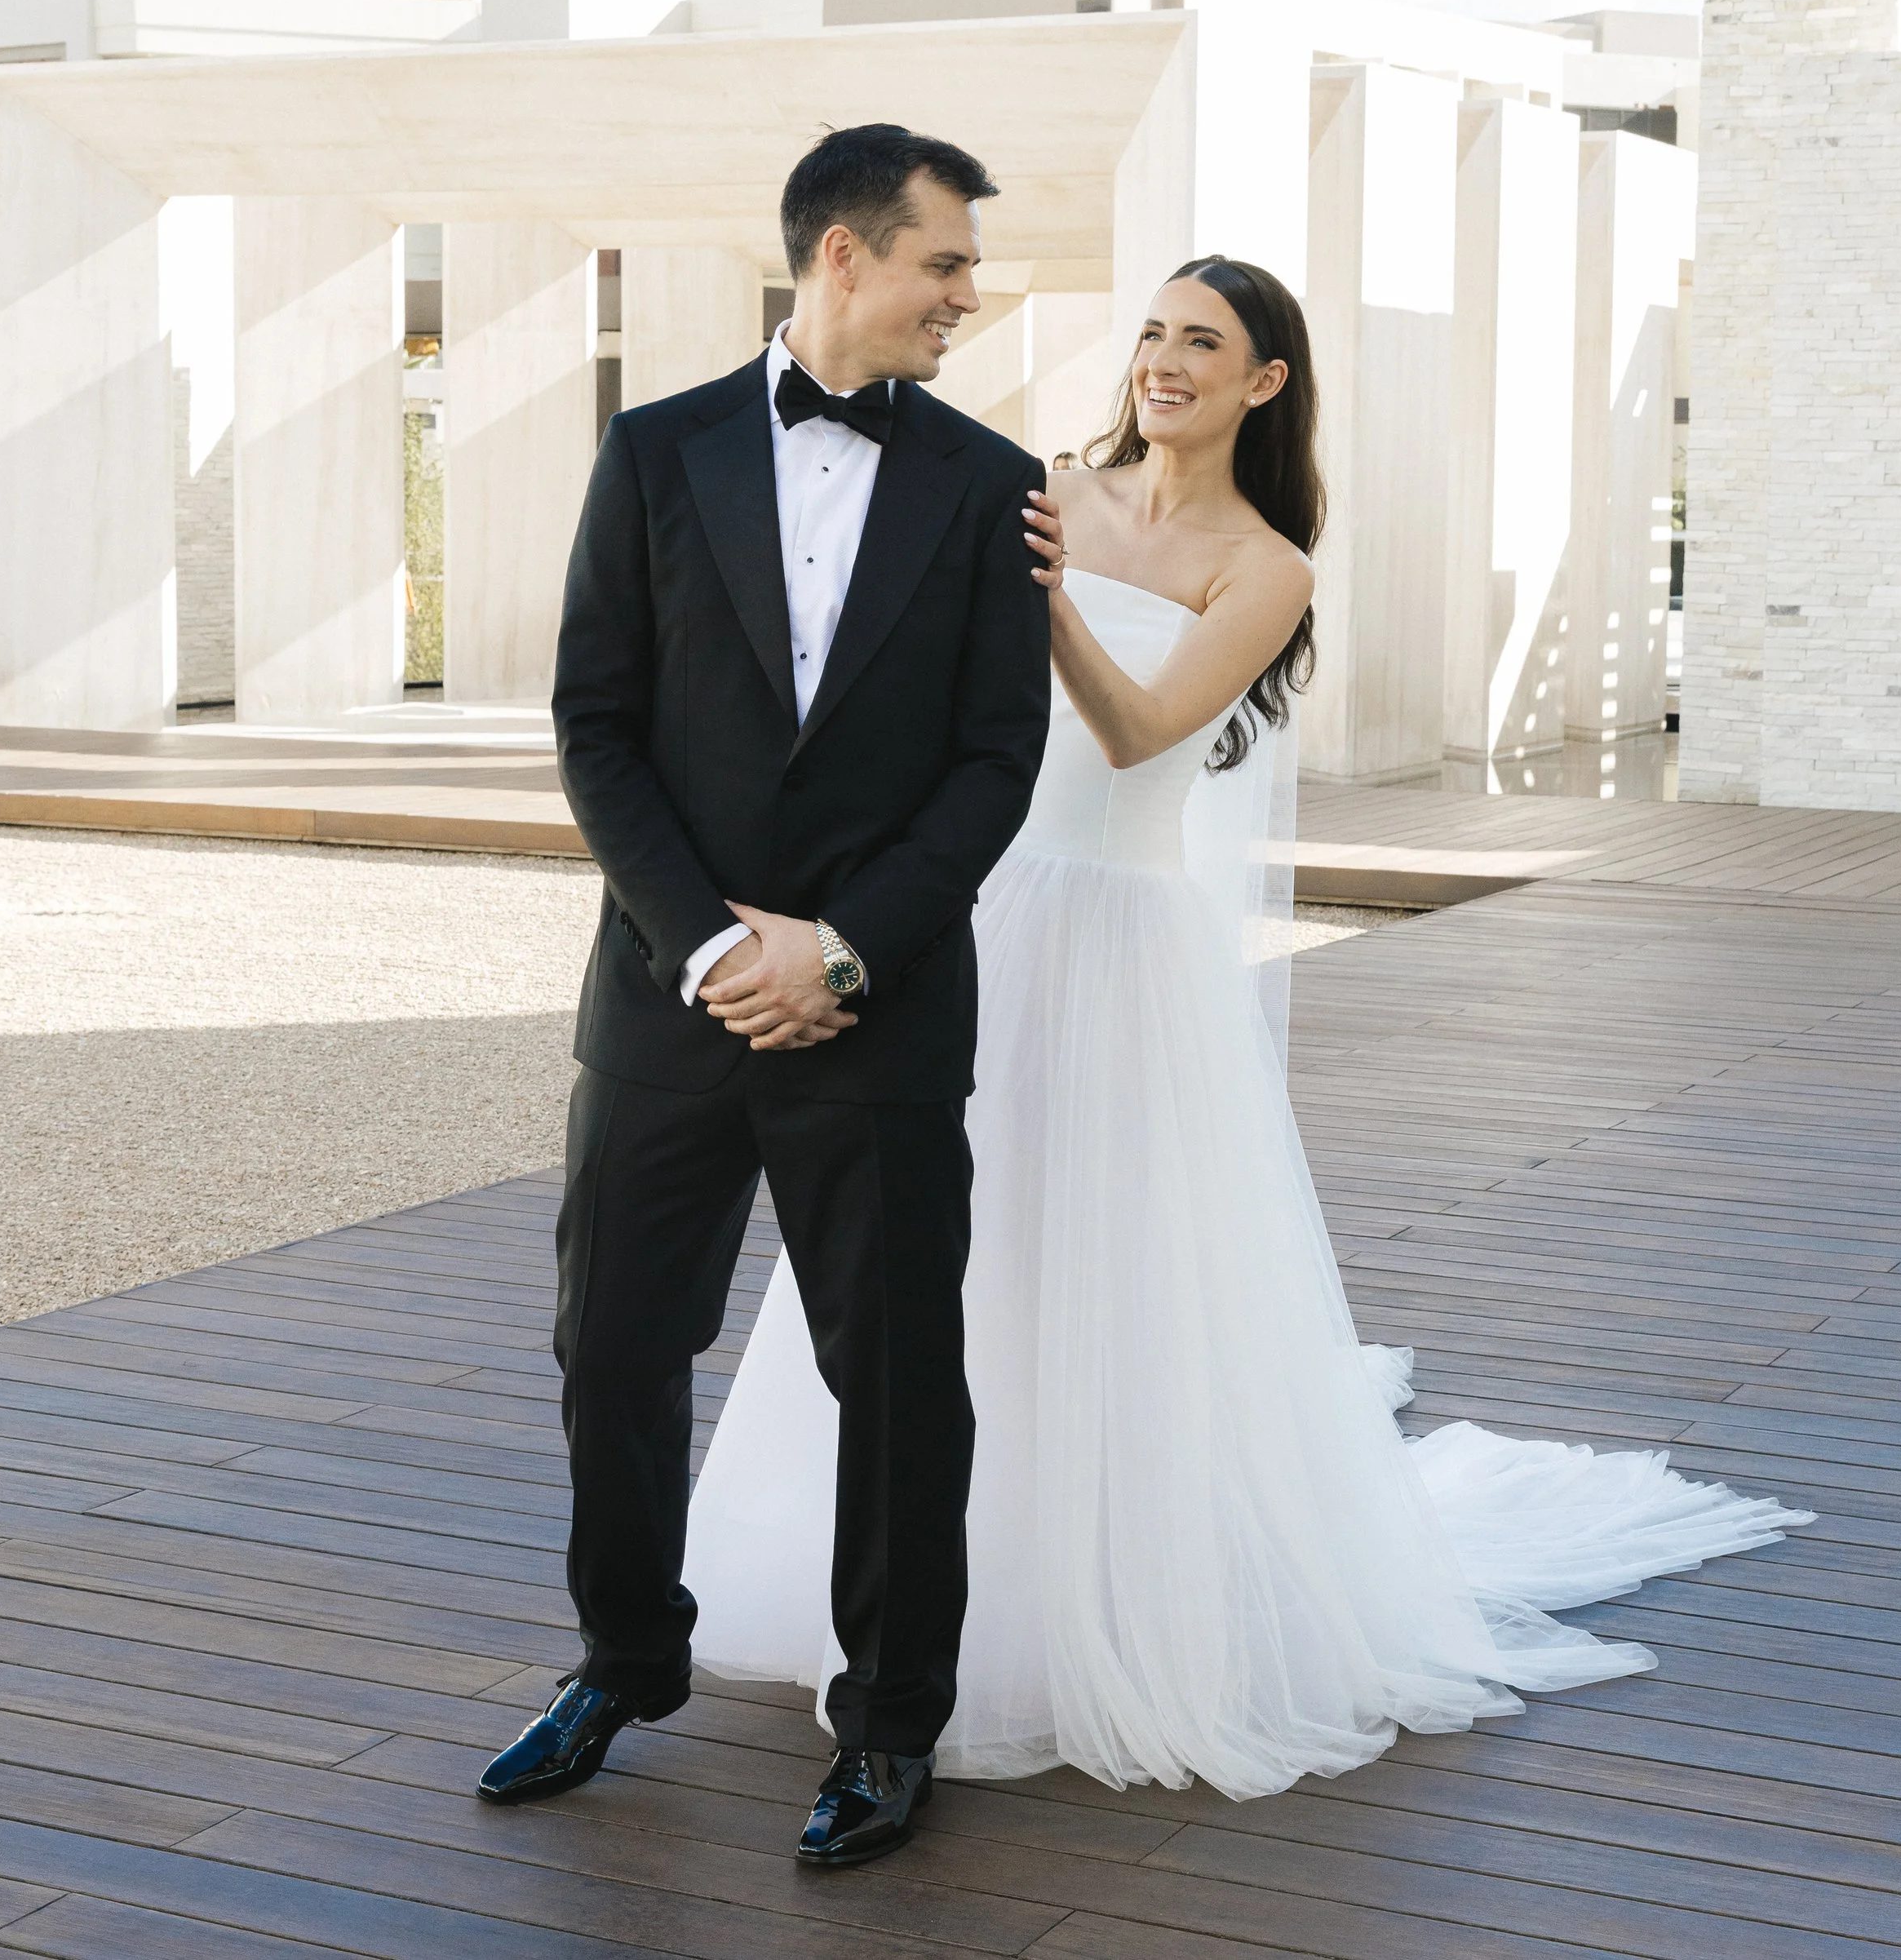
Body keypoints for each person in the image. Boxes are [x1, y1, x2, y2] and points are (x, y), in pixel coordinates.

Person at [683, 254, 1805, 1797]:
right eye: (1150, 331)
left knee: (1091, 1269)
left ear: (1262, 381)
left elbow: (1143, 730)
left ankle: (1065, 1602)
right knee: (914, 1256)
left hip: (1119, 947)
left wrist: (1050, 600)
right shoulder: (1044, 484)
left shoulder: (1266, 564)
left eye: (1199, 341)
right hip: (972, 913)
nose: (1162, 359)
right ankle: (891, 1590)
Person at [475, 124, 1051, 1865]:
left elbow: (989, 759)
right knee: (614, 1350)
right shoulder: (651, 453)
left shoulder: (984, 481)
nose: (968, 293)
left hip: (880, 1009)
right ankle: (623, 1660)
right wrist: (714, 947)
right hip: (668, 1005)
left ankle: (887, 1725)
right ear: (843, 259)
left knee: (894, 1375)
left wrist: (842, 949)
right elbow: (593, 724)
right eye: (944, 261)